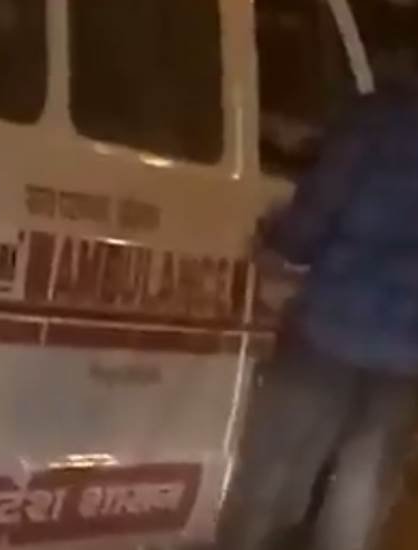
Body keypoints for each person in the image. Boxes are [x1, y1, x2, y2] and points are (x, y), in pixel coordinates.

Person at [218, 6, 418, 550]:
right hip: (406, 353)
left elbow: (318, 208)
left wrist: (274, 246)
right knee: (361, 487)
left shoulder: (377, 120)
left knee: (276, 471)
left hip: (331, 326)